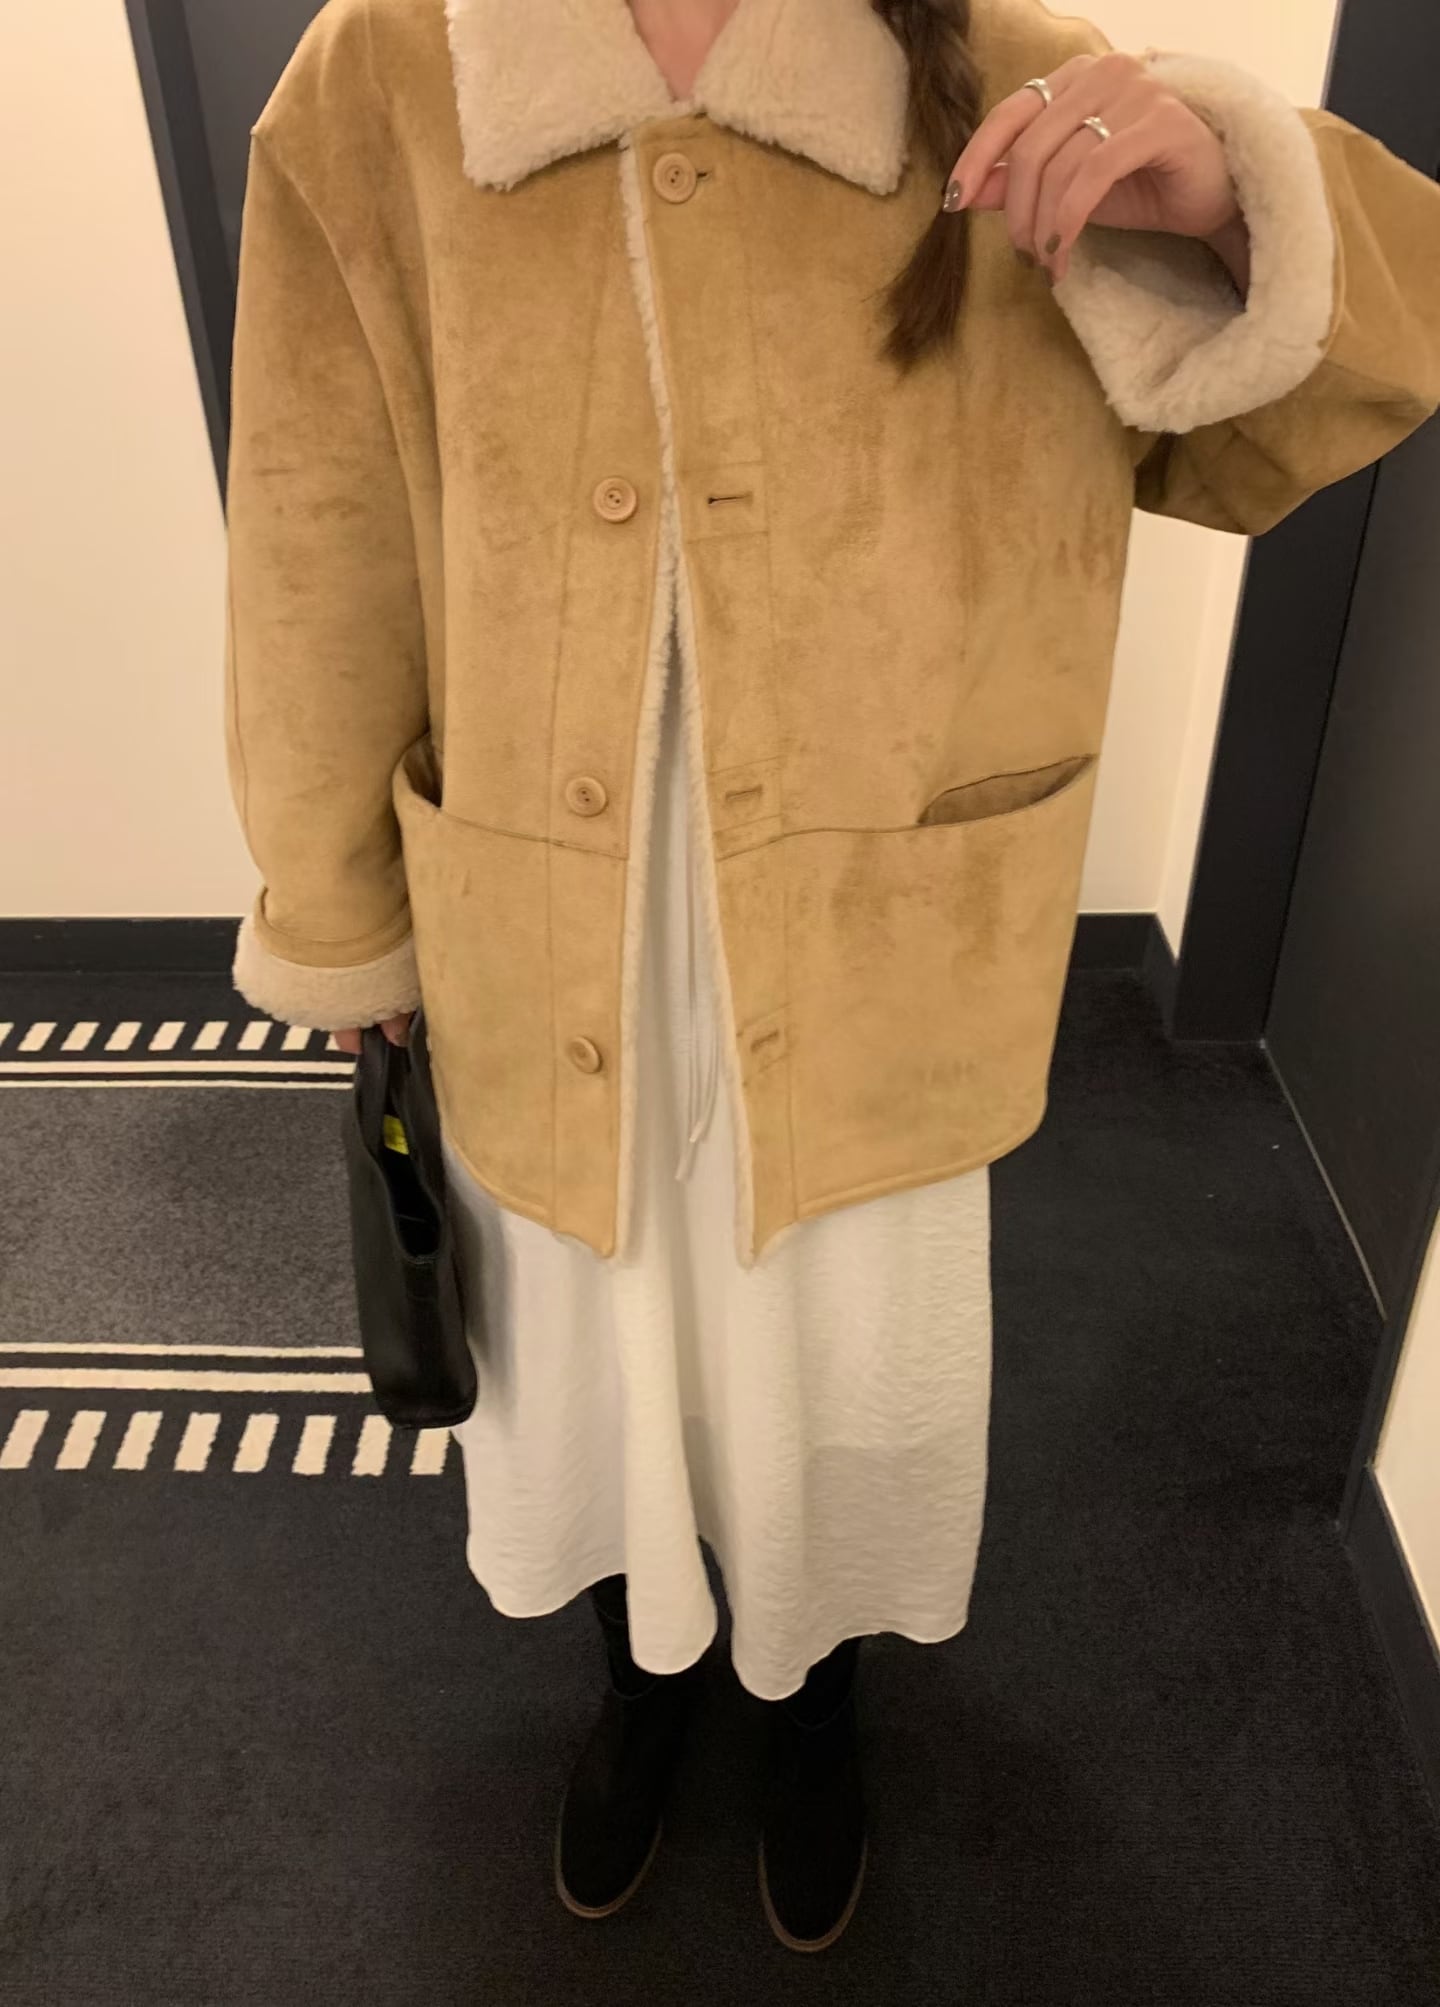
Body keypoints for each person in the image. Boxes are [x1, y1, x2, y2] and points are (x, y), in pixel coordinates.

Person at [223, 0, 1440, 1954]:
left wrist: (1233, 193)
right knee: (599, 1341)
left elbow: (1323, 391)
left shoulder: (995, 65)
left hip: (877, 927)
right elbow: (315, 521)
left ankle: (811, 1693)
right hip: (554, 910)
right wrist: (342, 907)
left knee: (846, 1352)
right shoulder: (385, 74)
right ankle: (641, 1674)